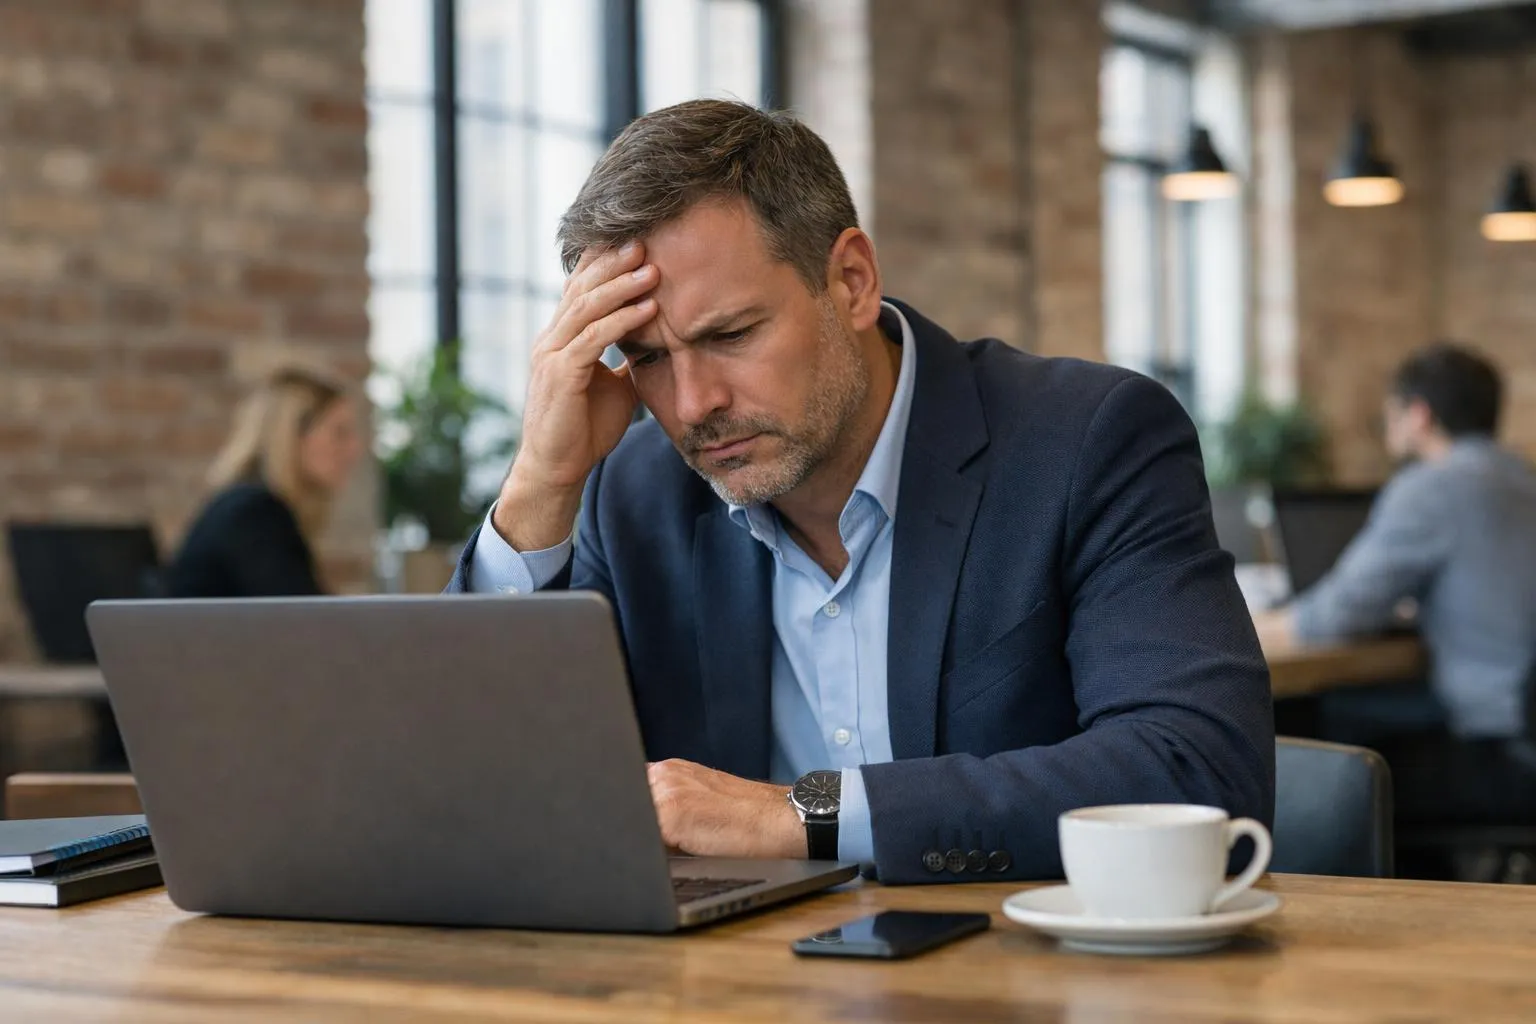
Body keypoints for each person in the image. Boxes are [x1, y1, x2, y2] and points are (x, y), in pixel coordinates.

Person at [450, 100, 1273, 882]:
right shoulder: (629, 495)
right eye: (649, 357)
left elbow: (1195, 767)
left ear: (850, 281)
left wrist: (802, 815)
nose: (695, 404)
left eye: (730, 335)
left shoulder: (1086, 440)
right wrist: (540, 485)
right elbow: (469, 793)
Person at [1257, 344, 1536, 836]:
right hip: (1520, 729)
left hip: (1500, 747)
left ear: (1419, 414)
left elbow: (1336, 617)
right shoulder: (1521, 478)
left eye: (1391, 410)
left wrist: (1251, 622)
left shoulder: (1431, 487)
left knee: (1317, 724)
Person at [161, 367, 365, 599]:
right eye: (339, 433)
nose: (354, 450)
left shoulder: (249, 508)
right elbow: (309, 624)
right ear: (290, 437)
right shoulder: (253, 515)